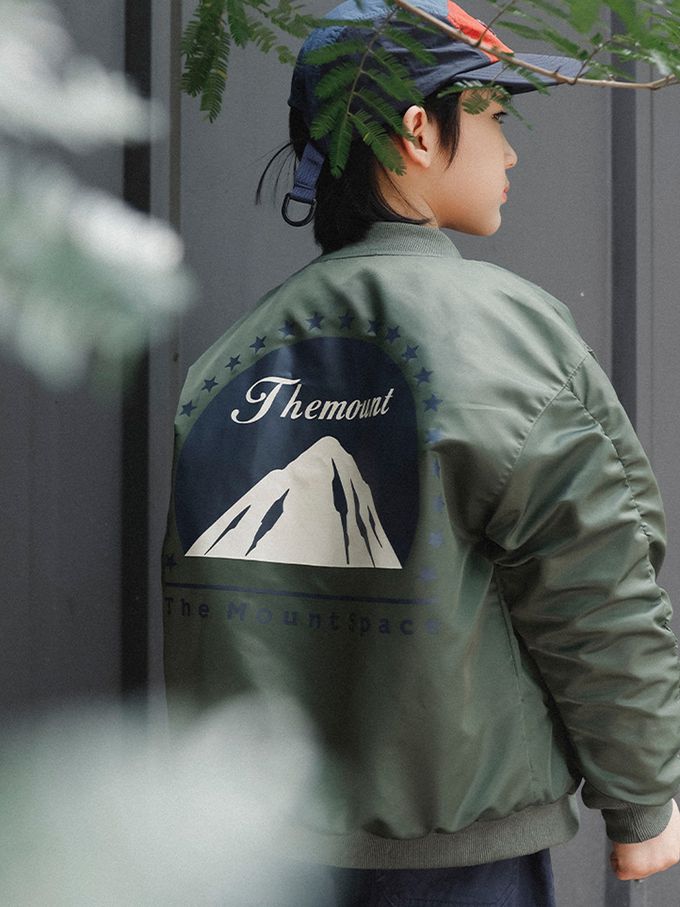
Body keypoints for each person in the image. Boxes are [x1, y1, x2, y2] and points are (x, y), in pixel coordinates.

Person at [162, 1, 680, 902]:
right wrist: (642, 799)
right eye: (493, 117)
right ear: (416, 130)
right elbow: (596, 584)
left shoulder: (230, 358)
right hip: (457, 864)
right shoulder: (508, 335)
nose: (510, 154)